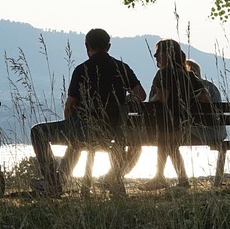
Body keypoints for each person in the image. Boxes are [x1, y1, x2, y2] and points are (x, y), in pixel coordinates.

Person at [30, 28, 145, 196]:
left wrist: (71, 124)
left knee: (37, 132)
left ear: (87, 46)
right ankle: (59, 181)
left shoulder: (82, 69)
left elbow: (70, 105)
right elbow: (140, 95)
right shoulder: (121, 67)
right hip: (113, 131)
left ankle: (51, 181)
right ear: (109, 46)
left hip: (82, 129)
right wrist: (123, 102)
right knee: (76, 140)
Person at [141, 39, 210, 190]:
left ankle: (161, 177)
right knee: (170, 144)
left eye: (159, 52)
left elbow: (162, 98)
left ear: (168, 54)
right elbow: (205, 98)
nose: (155, 55)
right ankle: (178, 179)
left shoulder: (163, 73)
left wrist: (152, 99)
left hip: (167, 123)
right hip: (186, 125)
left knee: (166, 139)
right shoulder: (189, 75)